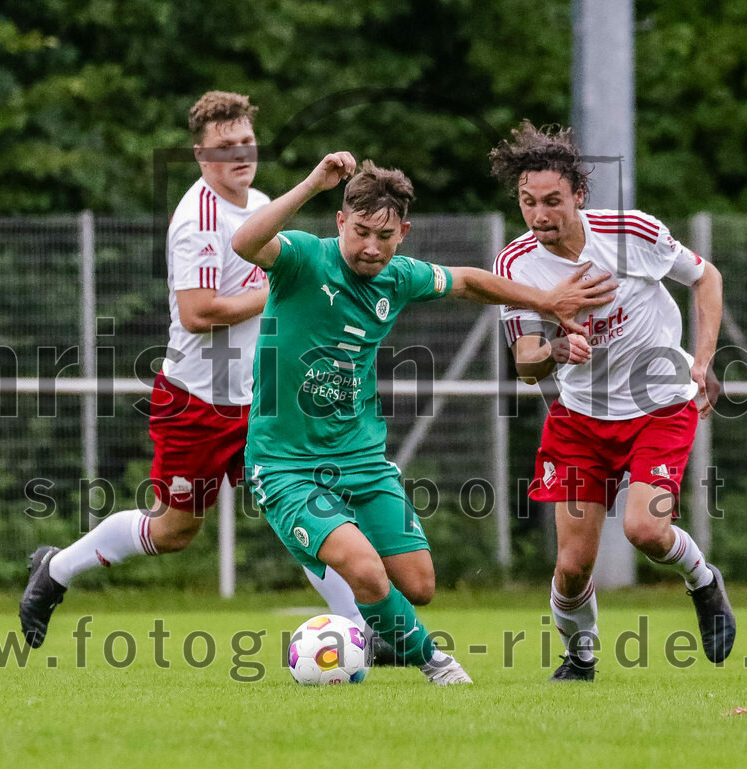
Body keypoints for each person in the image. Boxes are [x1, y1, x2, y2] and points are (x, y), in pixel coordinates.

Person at [231, 152, 617, 684]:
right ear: (341, 221)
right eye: (360, 231)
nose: (371, 247)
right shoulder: (303, 259)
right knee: (365, 571)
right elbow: (245, 243)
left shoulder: (400, 276)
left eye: (384, 236)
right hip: (286, 464)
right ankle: (437, 664)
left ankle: (378, 633)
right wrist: (313, 184)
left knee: (417, 585)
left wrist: (548, 302)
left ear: (403, 233)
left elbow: (471, 282)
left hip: (361, 458)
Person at [19, 91, 371, 650]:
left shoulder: (256, 201)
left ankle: (375, 632)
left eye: (246, 142)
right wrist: (277, 290)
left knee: (301, 511)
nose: (239, 154)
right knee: (174, 530)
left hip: (258, 401)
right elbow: (198, 312)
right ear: (200, 155)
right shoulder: (198, 218)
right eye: (224, 147)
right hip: (198, 403)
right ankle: (56, 569)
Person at [488, 121, 735, 681]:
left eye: (552, 200)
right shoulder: (516, 265)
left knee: (645, 531)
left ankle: (703, 581)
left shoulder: (630, 233)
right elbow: (526, 364)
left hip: (657, 405)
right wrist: (555, 347)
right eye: (527, 202)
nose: (539, 215)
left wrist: (701, 361)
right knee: (572, 566)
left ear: (578, 195)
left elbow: (706, 277)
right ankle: (580, 659)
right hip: (579, 421)